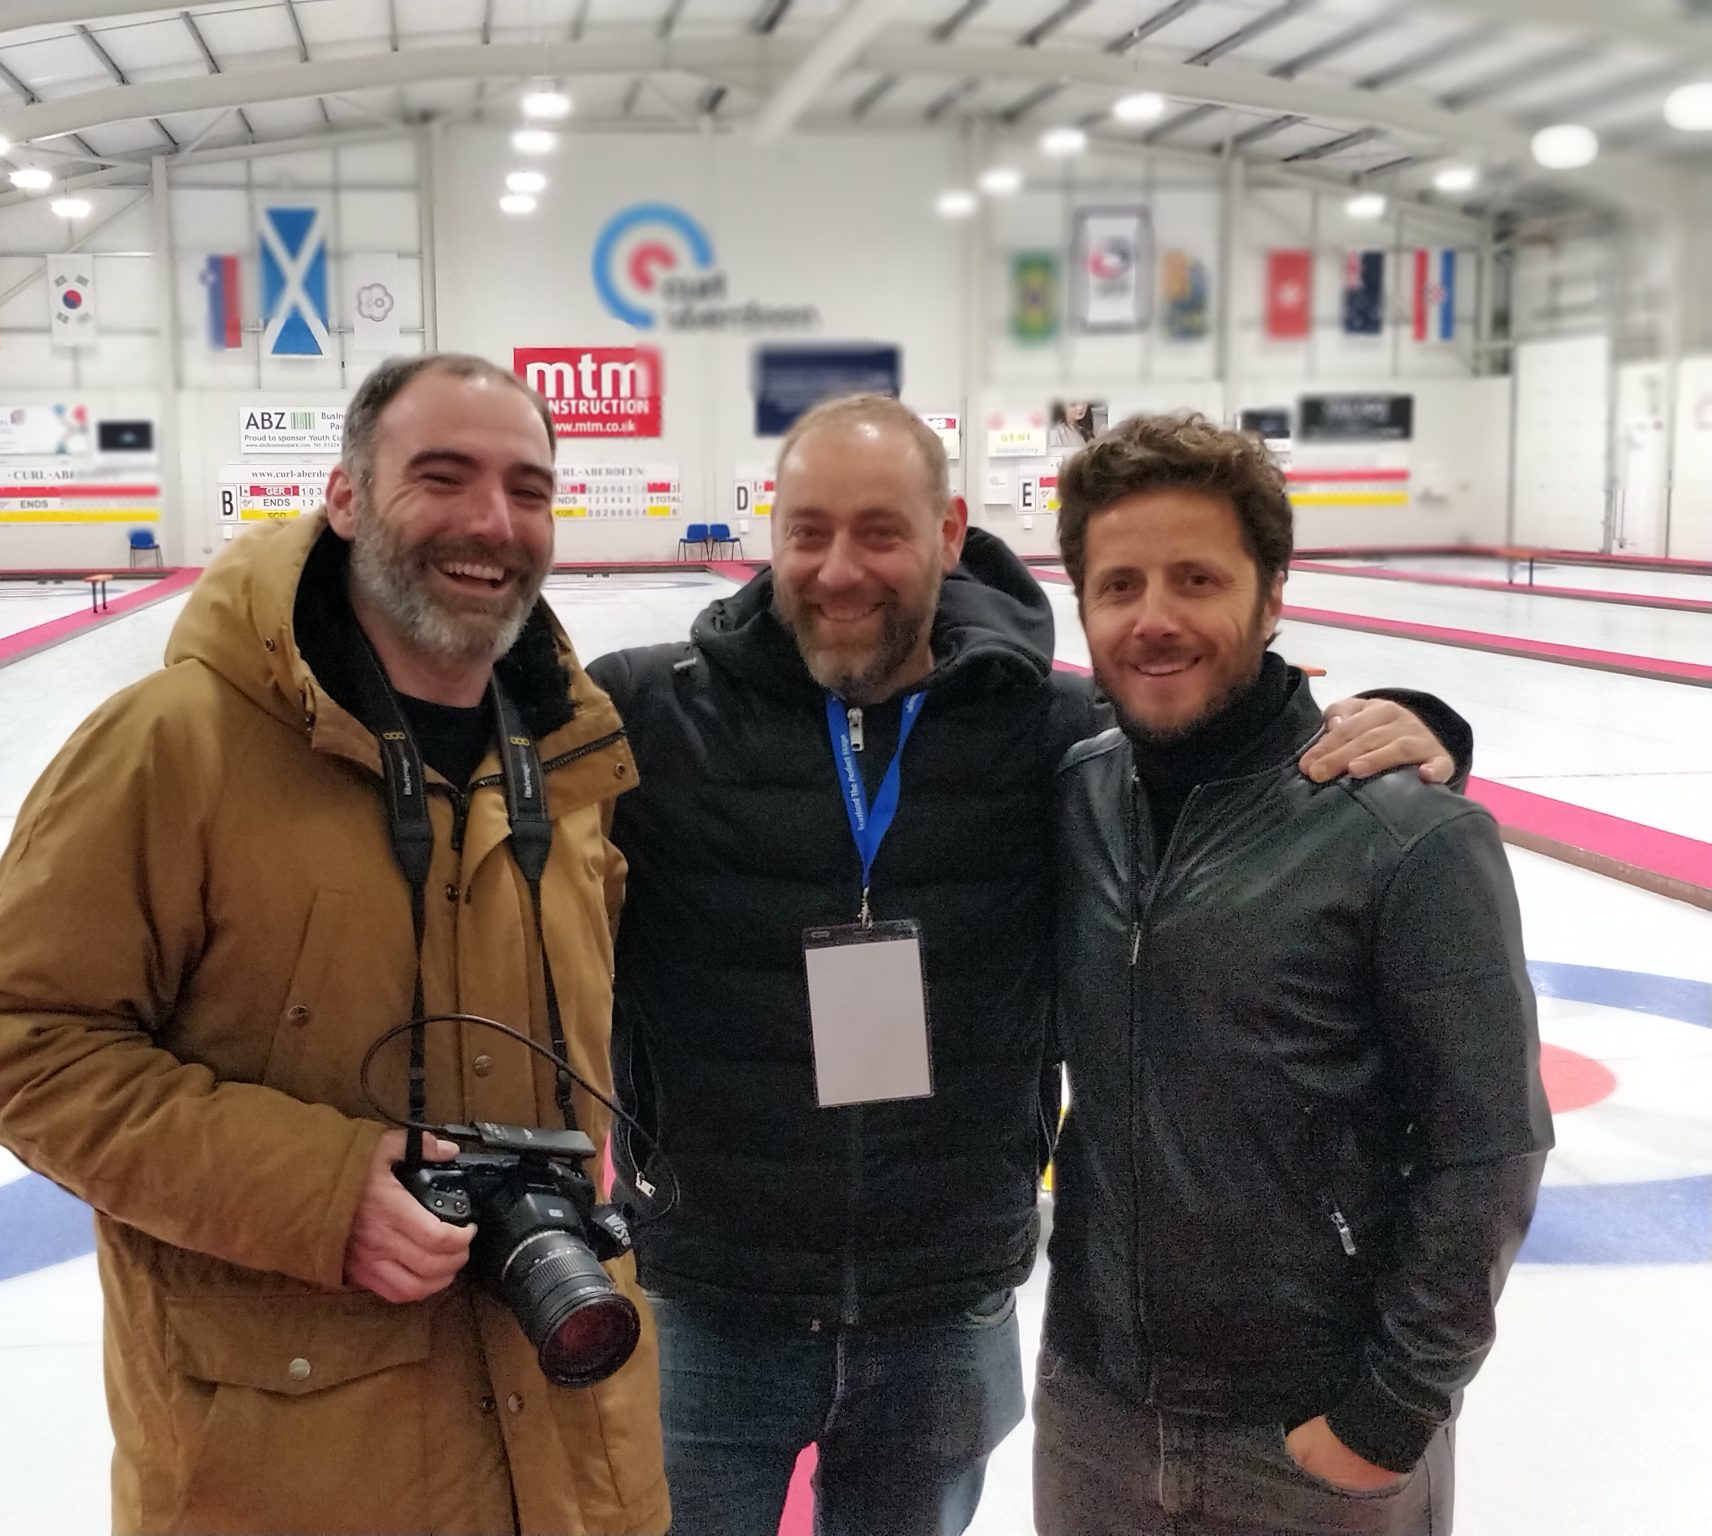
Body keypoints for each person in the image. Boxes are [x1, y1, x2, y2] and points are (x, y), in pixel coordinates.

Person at [587, 395, 1460, 1536]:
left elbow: (1228, 758)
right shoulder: (648, 713)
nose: (839, 568)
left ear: (950, 533)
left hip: (944, 1306)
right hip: (708, 1298)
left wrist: (1419, 726)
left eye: (880, 531)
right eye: (807, 532)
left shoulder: (1056, 730)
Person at [0, 354, 667, 1536]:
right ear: (345, 498)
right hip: (290, 1471)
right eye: (442, 476)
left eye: (527, 489)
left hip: (569, 1450)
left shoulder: (572, 762)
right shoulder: (175, 746)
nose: (493, 522)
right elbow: (15, 1040)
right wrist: (318, 1194)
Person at [1033, 413, 1553, 1536]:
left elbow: (1488, 1149)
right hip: (1094, 1412)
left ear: (1271, 597)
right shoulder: (1072, 797)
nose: (1153, 617)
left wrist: (1390, 1413)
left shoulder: (1404, 836)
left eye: (1196, 579)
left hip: (1309, 1438)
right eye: (1118, 585)